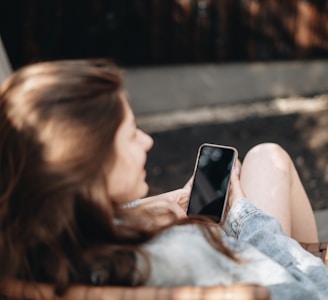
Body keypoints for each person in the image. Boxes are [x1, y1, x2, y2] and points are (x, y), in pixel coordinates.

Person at [0, 59, 327, 300]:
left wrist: (141, 209)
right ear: (88, 166)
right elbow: (314, 291)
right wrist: (244, 215)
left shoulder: (25, 249)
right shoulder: (181, 253)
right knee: (268, 159)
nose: (147, 141)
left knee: (264, 157)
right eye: (130, 135)